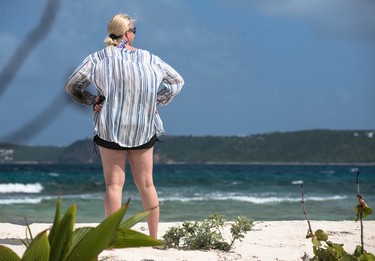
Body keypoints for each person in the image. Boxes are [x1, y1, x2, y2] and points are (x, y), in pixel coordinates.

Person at [64, 13, 184, 239]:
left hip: (110, 125)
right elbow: (177, 82)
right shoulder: (149, 58)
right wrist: (155, 100)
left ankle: (110, 239)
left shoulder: (98, 58)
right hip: (143, 126)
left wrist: (93, 100)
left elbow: (72, 85)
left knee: (113, 185)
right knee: (147, 185)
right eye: (134, 31)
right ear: (128, 33)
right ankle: (153, 238)